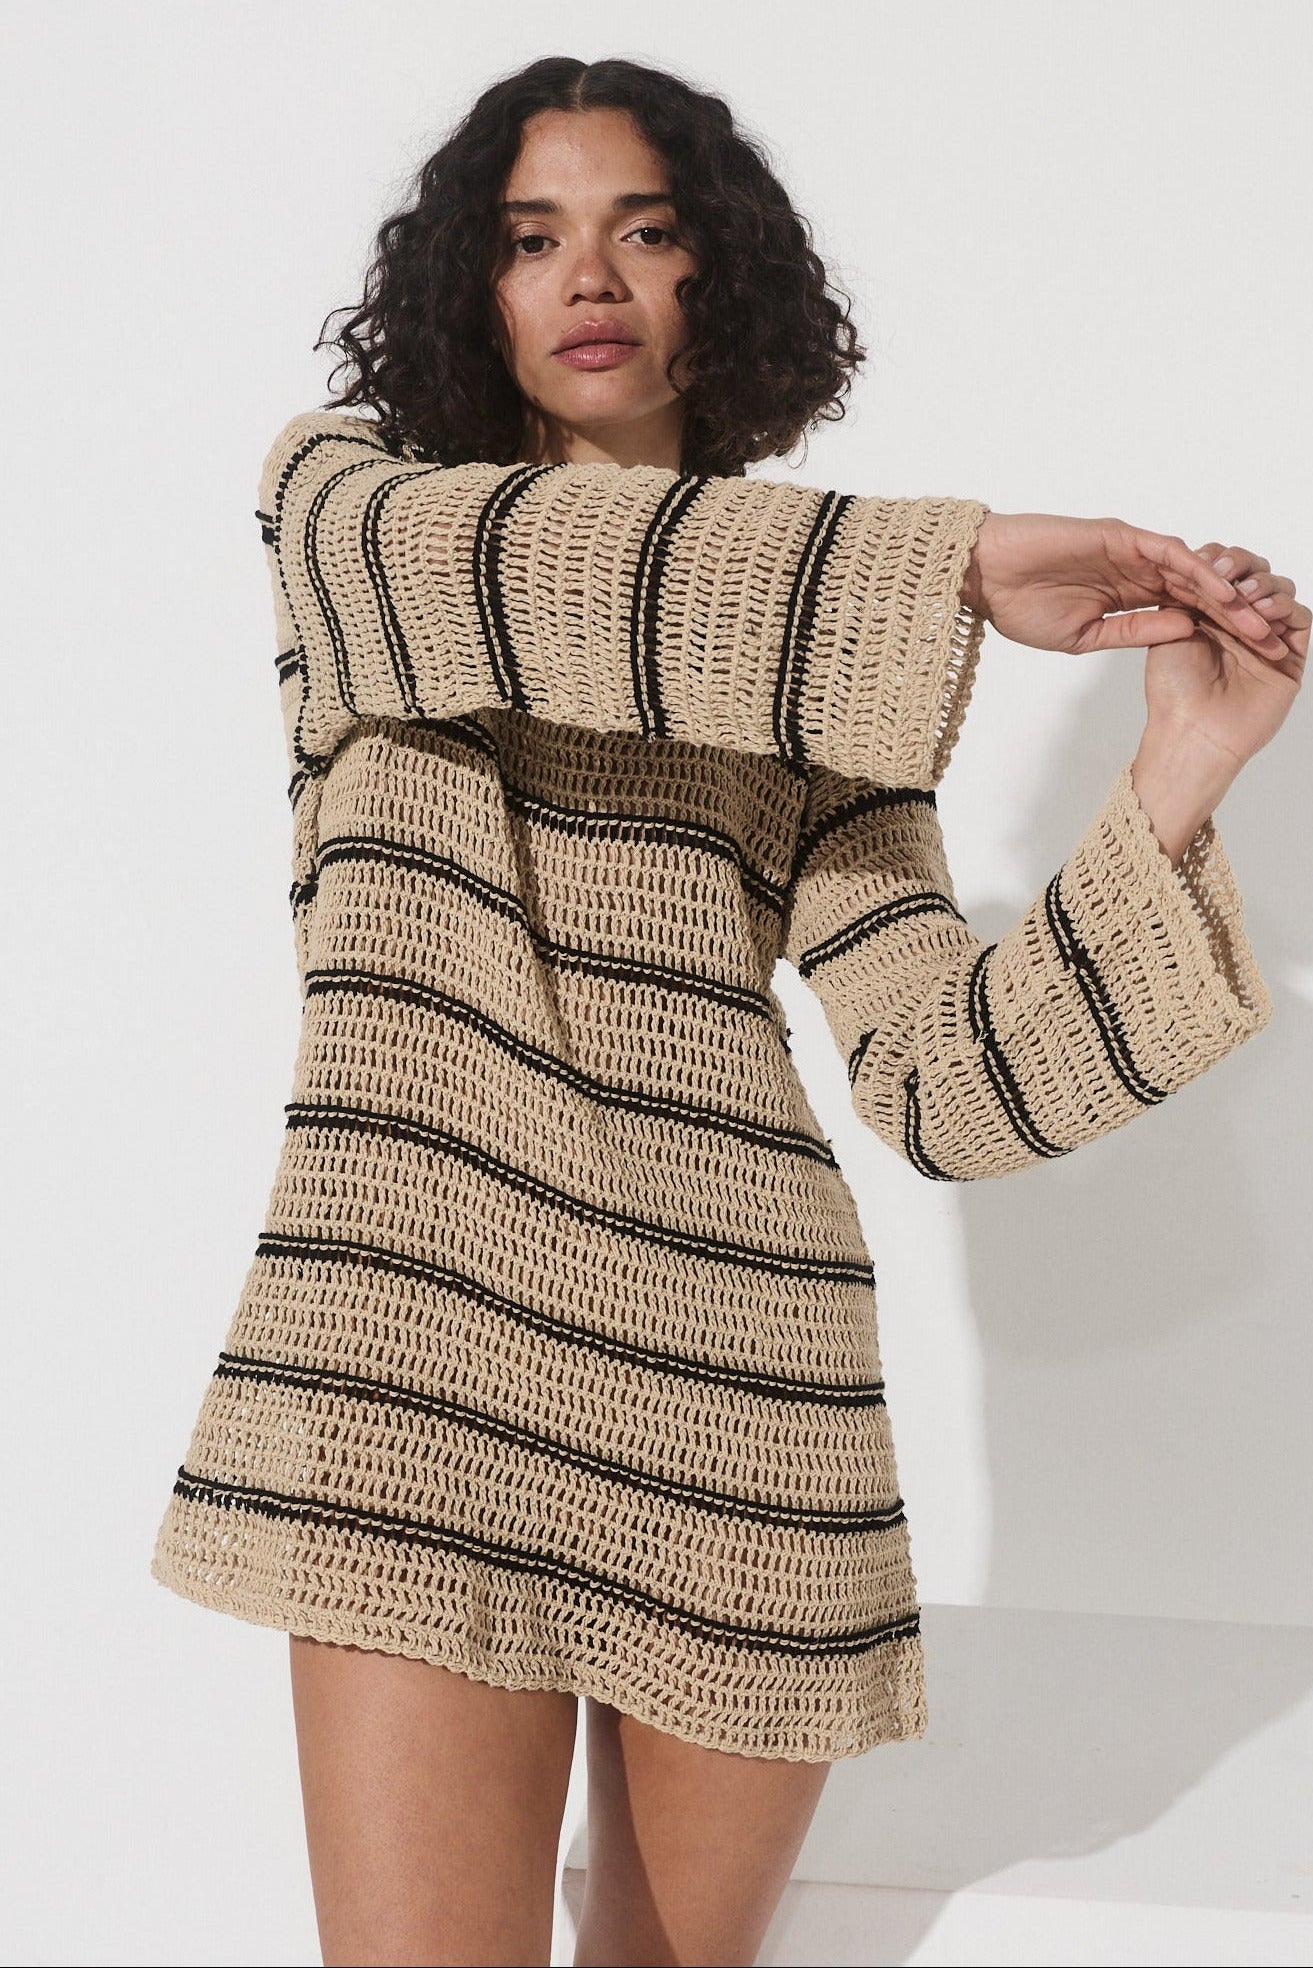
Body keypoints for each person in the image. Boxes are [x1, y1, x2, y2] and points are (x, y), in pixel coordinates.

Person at [150, 54, 1305, 1968]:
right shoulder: (354, 514)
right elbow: (557, 578)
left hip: (744, 1400)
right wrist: (954, 565)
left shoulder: (827, 686)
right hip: (411, 1364)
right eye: (530, 238)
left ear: (720, 277)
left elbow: (944, 1091)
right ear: (470, 285)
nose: (589, 276)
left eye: (646, 229)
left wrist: (1177, 770)